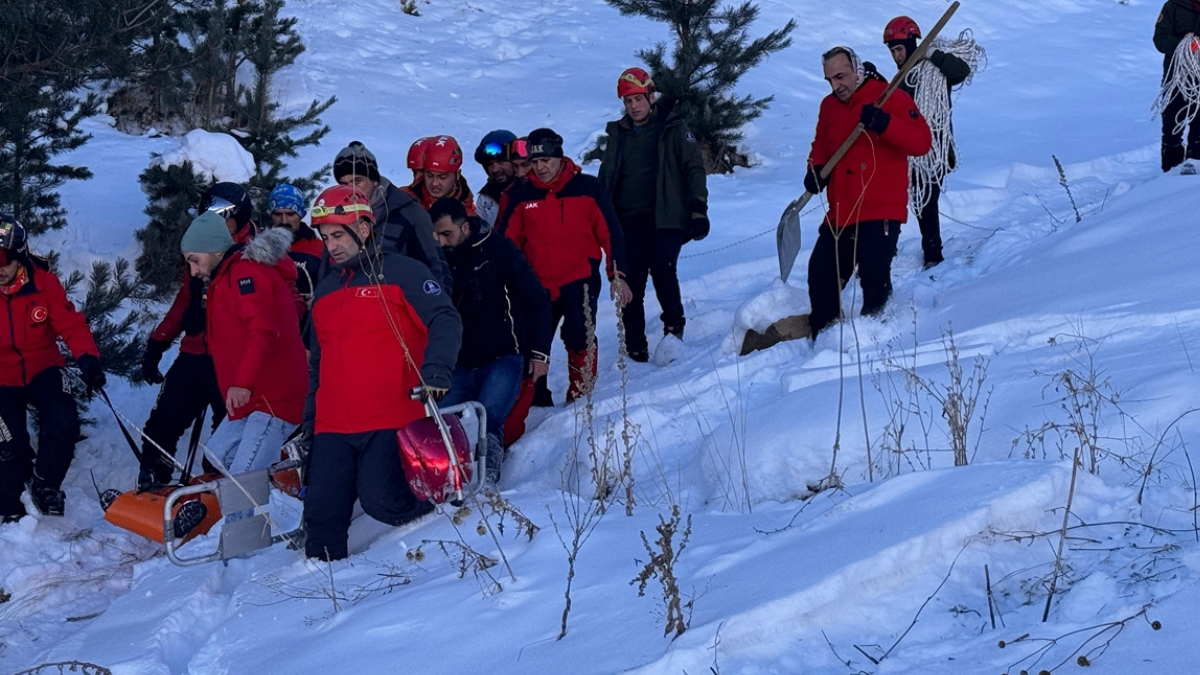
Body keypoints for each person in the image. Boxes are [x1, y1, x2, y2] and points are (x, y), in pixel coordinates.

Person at [302, 185, 462, 561]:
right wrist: (310, 421)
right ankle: (320, 601)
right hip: (332, 425)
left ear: (365, 227)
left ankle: (447, 505)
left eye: (338, 234)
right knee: (321, 517)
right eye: (325, 238)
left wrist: (436, 370)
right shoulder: (324, 292)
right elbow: (317, 366)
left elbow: (444, 317)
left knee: (382, 500)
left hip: (390, 415)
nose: (331, 246)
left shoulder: (404, 271)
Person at [803, 47, 931, 339]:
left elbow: (921, 142)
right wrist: (816, 170)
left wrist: (885, 124)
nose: (836, 85)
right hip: (841, 211)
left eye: (840, 76)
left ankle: (876, 334)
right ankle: (825, 338)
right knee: (822, 274)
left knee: (873, 274)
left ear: (857, 70)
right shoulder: (829, 106)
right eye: (830, 80)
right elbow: (820, 145)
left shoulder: (891, 97)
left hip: (881, 207)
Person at [496, 128, 631, 403]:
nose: (540, 167)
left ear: (559, 157)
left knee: (578, 334)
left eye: (546, 160)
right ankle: (534, 399)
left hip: (578, 278)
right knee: (533, 341)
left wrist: (617, 274)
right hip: (536, 283)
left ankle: (581, 396)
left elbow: (611, 233)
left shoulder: (588, 188)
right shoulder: (520, 194)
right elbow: (506, 245)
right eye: (534, 162)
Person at [138, 182, 259, 488]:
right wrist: (158, 342)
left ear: (238, 218)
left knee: (227, 432)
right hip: (195, 352)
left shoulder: (253, 258)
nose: (213, 221)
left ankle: (216, 487)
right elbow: (185, 299)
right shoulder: (201, 246)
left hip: (231, 359)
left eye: (221, 216)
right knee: (162, 422)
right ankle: (155, 478)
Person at [430, 198, 551, 482]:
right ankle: (442, 482)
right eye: (436, 235)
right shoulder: (436, 258)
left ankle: (486, 481)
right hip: (459, 362)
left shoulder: (499, 249)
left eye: (447, 234)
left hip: (503, 356)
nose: (442, 241)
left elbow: (538, 299)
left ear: (465, 227)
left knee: (488, 419)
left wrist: (539, 353)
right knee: (444, 424)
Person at [179, 212, 308, 478]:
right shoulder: (225, 277)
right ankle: (275, 493)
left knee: (243, 478)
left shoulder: (244, 275)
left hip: (273, 396)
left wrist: (241, 384)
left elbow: (262, 331)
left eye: (195, 260)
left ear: (215, 250)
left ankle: (252, 512)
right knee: (218, 455)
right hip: (252, 397)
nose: (193, 271)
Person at [598, 67, 709, 362]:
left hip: (667, 216)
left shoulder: (672, 126)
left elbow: (694, 168)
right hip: (628, 219)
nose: (633, 106)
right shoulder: (618, 134)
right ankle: (635, 343)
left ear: (650, 96)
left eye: (637, 99)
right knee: (630, 278)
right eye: (627, 101)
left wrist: (698, 207)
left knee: (662, 264)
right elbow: (606, 177)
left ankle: (674, 327)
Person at [0, 215, 106, 520]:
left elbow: (71, 325)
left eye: (4, 261)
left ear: (19, 257)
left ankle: (46, 483)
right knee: (8, 448)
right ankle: (12, 501)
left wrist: (87, 358)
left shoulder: (43, 283)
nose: (0, 269)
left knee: (63, 422)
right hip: (2, 379)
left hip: (43, 366)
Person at [885, 16, 971, 269]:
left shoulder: (935, 71)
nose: (896, 56)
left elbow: (961, 71)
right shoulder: (901, 79)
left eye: (899, 49)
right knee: (894, 198)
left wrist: (933, 54)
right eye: (892, 51)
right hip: (907, 150)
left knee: (926, 200)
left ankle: (933, 255)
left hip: (935, 150)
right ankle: (887, 252)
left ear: (913, 43)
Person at [333, 141, 452, 291]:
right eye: (344, 184)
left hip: (402, 306)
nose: (352, 189)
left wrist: (437, 310)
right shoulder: (337, 217)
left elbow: (437, 269)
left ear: (374, 180)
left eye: (358, 181)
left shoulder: (410, 213)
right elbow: (328, 272)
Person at [1155, 0, 1200, 171]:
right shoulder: (1173, 6)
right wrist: (1183, 45)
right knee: (1172, 130)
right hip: (1176, 79)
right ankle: (1169, 178)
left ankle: (1194, 174)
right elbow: (1160, 39)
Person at [269, 183, 323, 310]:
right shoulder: (262, 247)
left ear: (301, 214)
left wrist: (319, 299)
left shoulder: (318, 248)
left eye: (290, 214)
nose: (284, 221)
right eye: (278, 214)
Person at [404, 135, 477, 215]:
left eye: (443, 177)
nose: (434, 183)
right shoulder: (402, 199)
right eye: (429, 175)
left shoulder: (469, 214)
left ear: (457, 174)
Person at [474, 130, 518, 227]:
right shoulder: (485, 198)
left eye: (501, 161)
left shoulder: (533, 191)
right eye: (490, 164)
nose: (495, 169)